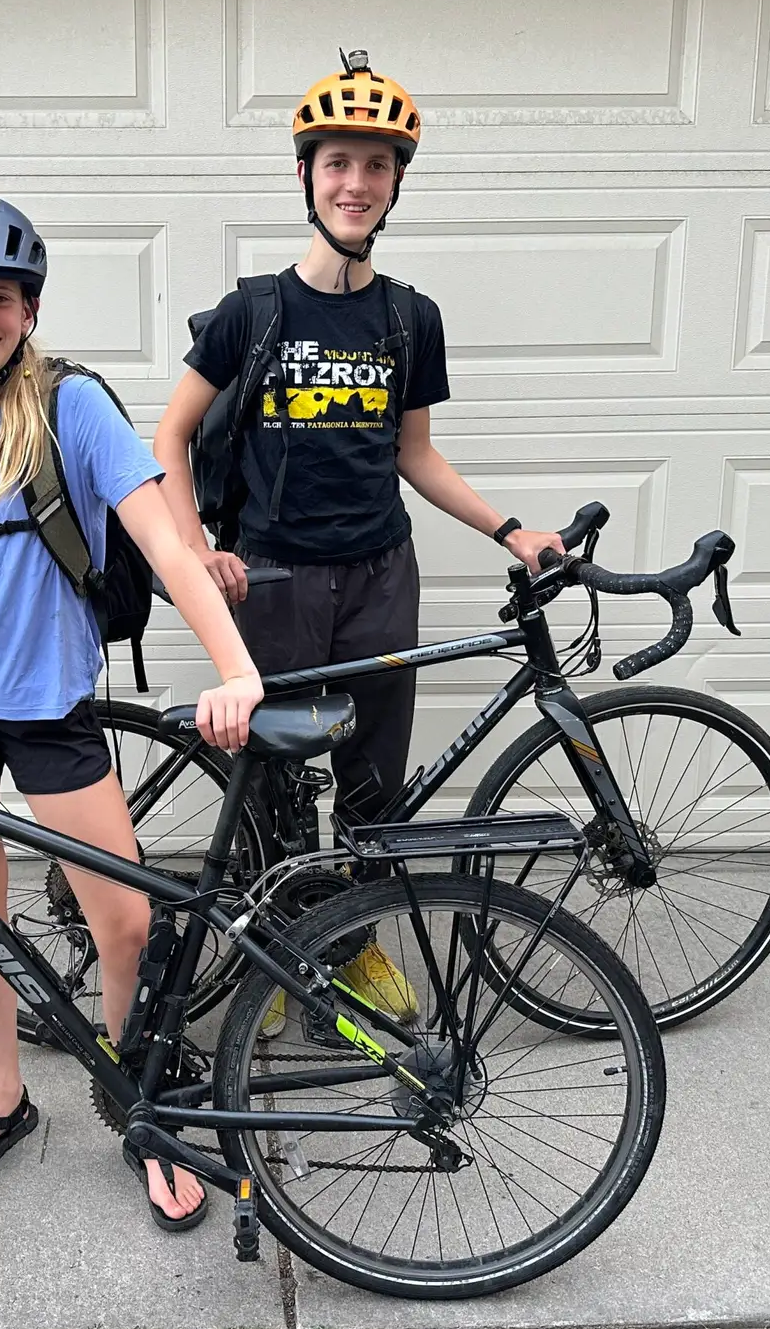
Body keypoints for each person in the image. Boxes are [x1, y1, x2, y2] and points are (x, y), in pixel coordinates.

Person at [0, 174, 263, 1231]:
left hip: (45, 708)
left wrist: (235, 668)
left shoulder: (71, 408)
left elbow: (166, 545)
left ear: (29, 309)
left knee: (122, 920)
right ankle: (2, 1101)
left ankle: (143, 1107)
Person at [151, 52, 565, 1024]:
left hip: (383, 574)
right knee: (278, 784)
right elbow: (168, 435)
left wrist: (510, 530)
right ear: (307, 175)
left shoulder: (408, 317)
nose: (354, 183)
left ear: (394, 185)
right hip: (278, 579)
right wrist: (192, 549)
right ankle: (294, 954)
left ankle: (360, 943)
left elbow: (414, 453)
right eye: (337, 162)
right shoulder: (254, 310)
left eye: (375, 167)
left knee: (372, 779)